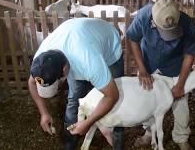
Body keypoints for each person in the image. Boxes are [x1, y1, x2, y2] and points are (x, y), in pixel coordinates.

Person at [28, 18, 124, 150]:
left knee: (116, 105)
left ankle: (118, 142)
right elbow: (31, 83)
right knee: (75, 100)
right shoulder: (41, 62)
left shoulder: (89, 62)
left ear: (64, 71)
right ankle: (70, 144)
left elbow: (112, 96)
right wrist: (44, 113)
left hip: (109, 47)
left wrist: (88, 123)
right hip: (78, 38)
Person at [126, 0, 195, 150]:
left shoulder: (186, 23)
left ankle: (181, 137)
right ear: (154, 21)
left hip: (174, 67)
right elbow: (132, 39)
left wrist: (180, 84)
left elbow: (189, 55)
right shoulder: (144, 16)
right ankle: (148, 133)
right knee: (147, 99)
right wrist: (142, 69)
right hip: (150, 65)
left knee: (181, 102)